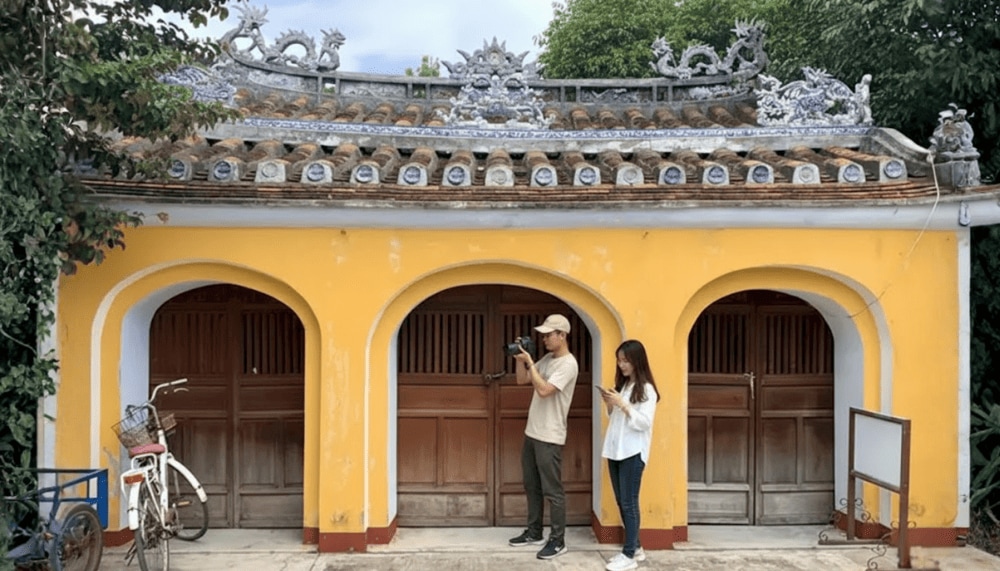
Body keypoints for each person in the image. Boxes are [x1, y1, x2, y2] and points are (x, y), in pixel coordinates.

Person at [507, 313, 579, 560]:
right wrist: (521, 359)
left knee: (553, 490)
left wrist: (531, 362)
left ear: (562, 335)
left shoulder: (568, 364)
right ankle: (534, 532)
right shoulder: (548, 358)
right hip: (533, 431)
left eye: (549, 335)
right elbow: (521, 381)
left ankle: (558, 541)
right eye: (544, 335)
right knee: (532, 485)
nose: (545, 339)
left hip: (550, 435)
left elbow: (545, 390)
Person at [599, 339, 660, 571]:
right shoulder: (624, 386)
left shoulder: (647, 390)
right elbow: (615, 420)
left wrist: (623, 404)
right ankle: (636, 548)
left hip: (633, 453)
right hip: (615, 450)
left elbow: (643, 423)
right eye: (619, 360)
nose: (621, 365)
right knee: (621, 501)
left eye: (625, 360)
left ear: (637, 361)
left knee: (629, 502)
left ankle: (628, 556)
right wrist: (610, 403)